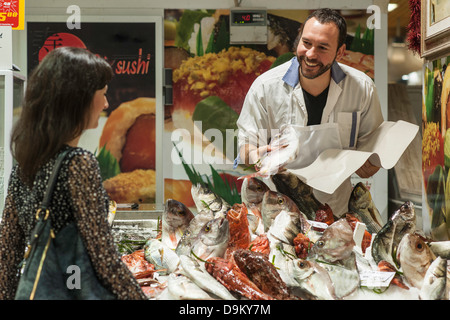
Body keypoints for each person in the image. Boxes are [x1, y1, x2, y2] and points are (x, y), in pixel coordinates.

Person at [0, 47, 147, 300]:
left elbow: (7, 255)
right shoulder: (78, 163)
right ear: (78, 99)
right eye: (102, 94)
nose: (106, 103)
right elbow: (104, 260)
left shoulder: (24, 164)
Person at [237, 8, 384, 216]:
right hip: (279, 213)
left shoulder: (362, 88)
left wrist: (370, 164)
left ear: (340, 52)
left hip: (336, 213)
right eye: (306, 43)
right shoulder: (265, 87)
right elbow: (245, 147)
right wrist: (256, 154)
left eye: (323, 47)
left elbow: (372, 150)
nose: (311, 54)